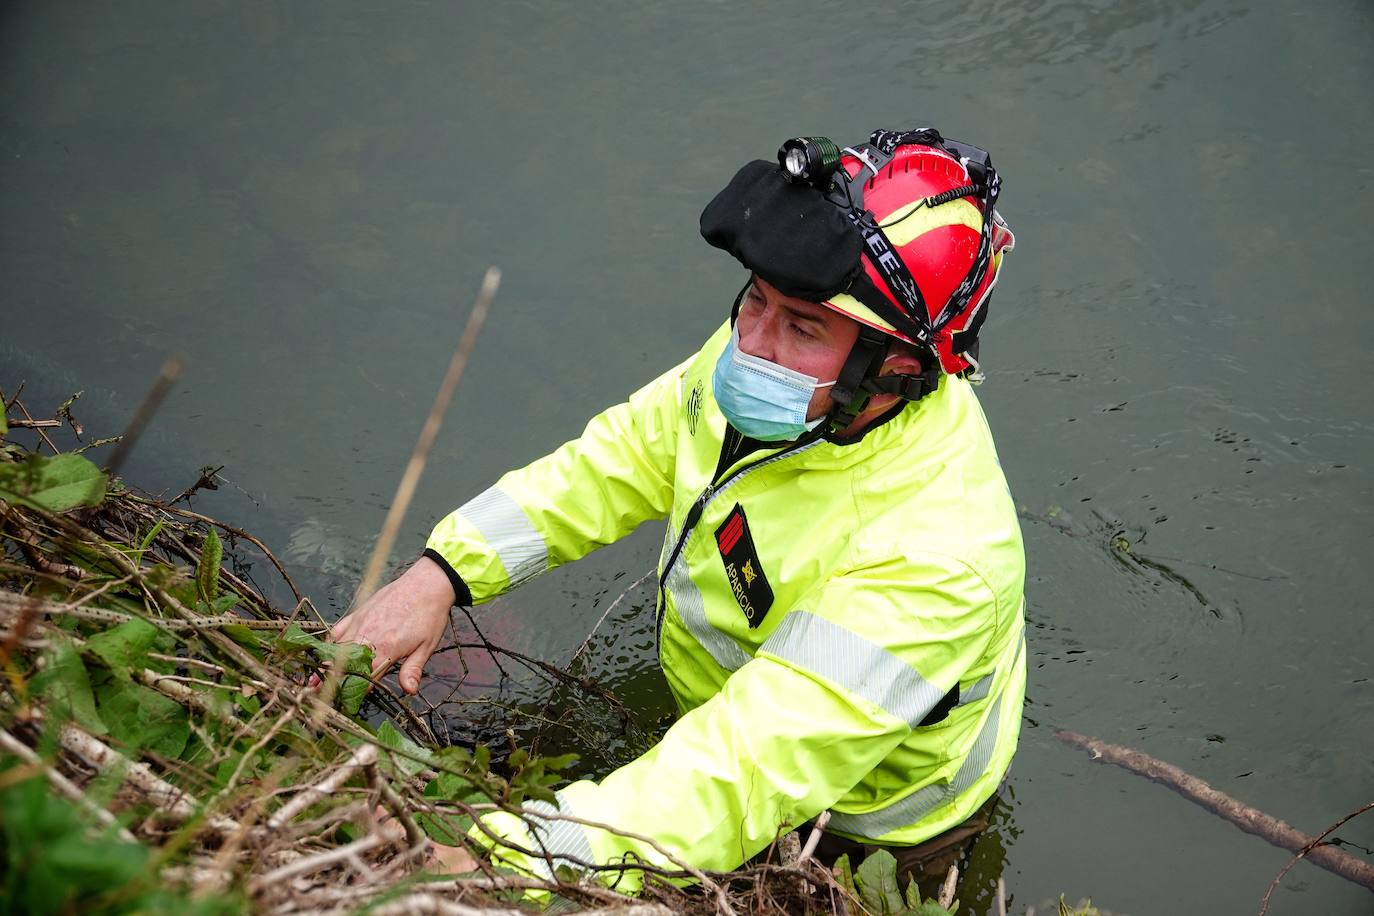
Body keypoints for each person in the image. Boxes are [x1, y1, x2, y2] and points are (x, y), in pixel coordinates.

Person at [331, 126, 1026, 893]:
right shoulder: (774, 369)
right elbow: (619, 460)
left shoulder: (939, 556)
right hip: (731, 722)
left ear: (896, 366)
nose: (751, 343)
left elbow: (748, 764)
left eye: (802, 327)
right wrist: (441, 573)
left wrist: (512, 858)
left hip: (862, 831)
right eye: (755, 298)